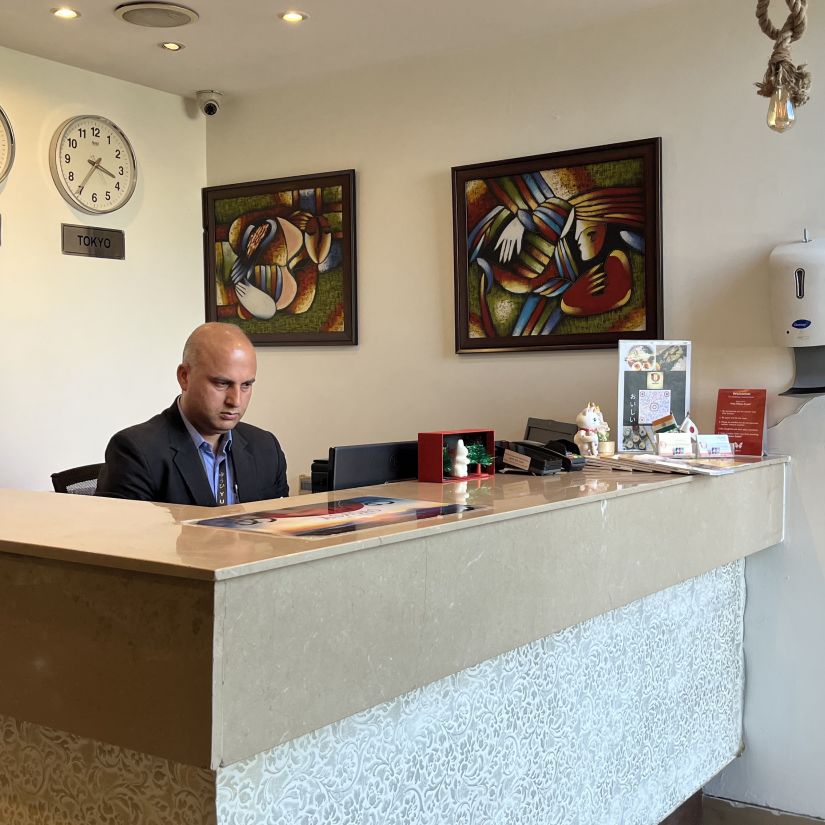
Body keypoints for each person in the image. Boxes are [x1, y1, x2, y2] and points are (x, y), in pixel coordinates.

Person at [96, 322, 288, 505]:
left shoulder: (266, 449)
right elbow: (124, 537)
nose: (235, 400)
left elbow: (280, 534)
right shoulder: (136, 451)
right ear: (184, 377)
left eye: (246, 385)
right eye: (222, 383)